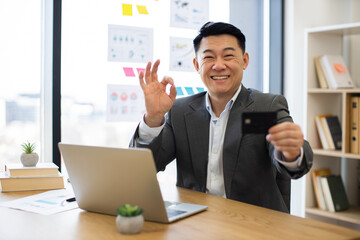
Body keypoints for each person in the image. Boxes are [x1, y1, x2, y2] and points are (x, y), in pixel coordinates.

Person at [130, 22, 313, 213]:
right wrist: (153, 118)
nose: (218, 65)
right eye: (209, 57)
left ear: (244, 61)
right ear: (196, 64)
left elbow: (291, 161)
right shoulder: (180, 111)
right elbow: (144, 168)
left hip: (252, 224)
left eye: (228, 56)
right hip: (195, 222)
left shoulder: (263, 108)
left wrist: (292, 152)